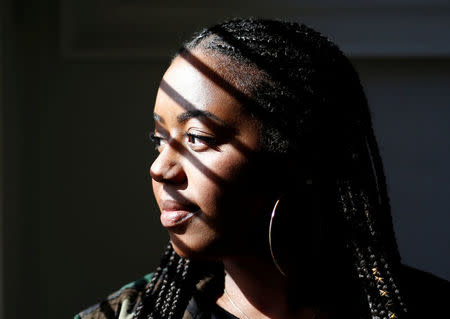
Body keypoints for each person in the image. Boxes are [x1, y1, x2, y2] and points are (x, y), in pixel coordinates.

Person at [75, 18, 449, 319]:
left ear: (297, 154)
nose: (160, 168)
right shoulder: (133, 312)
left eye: (197, 138)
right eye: (159, 139)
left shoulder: (413, 307)